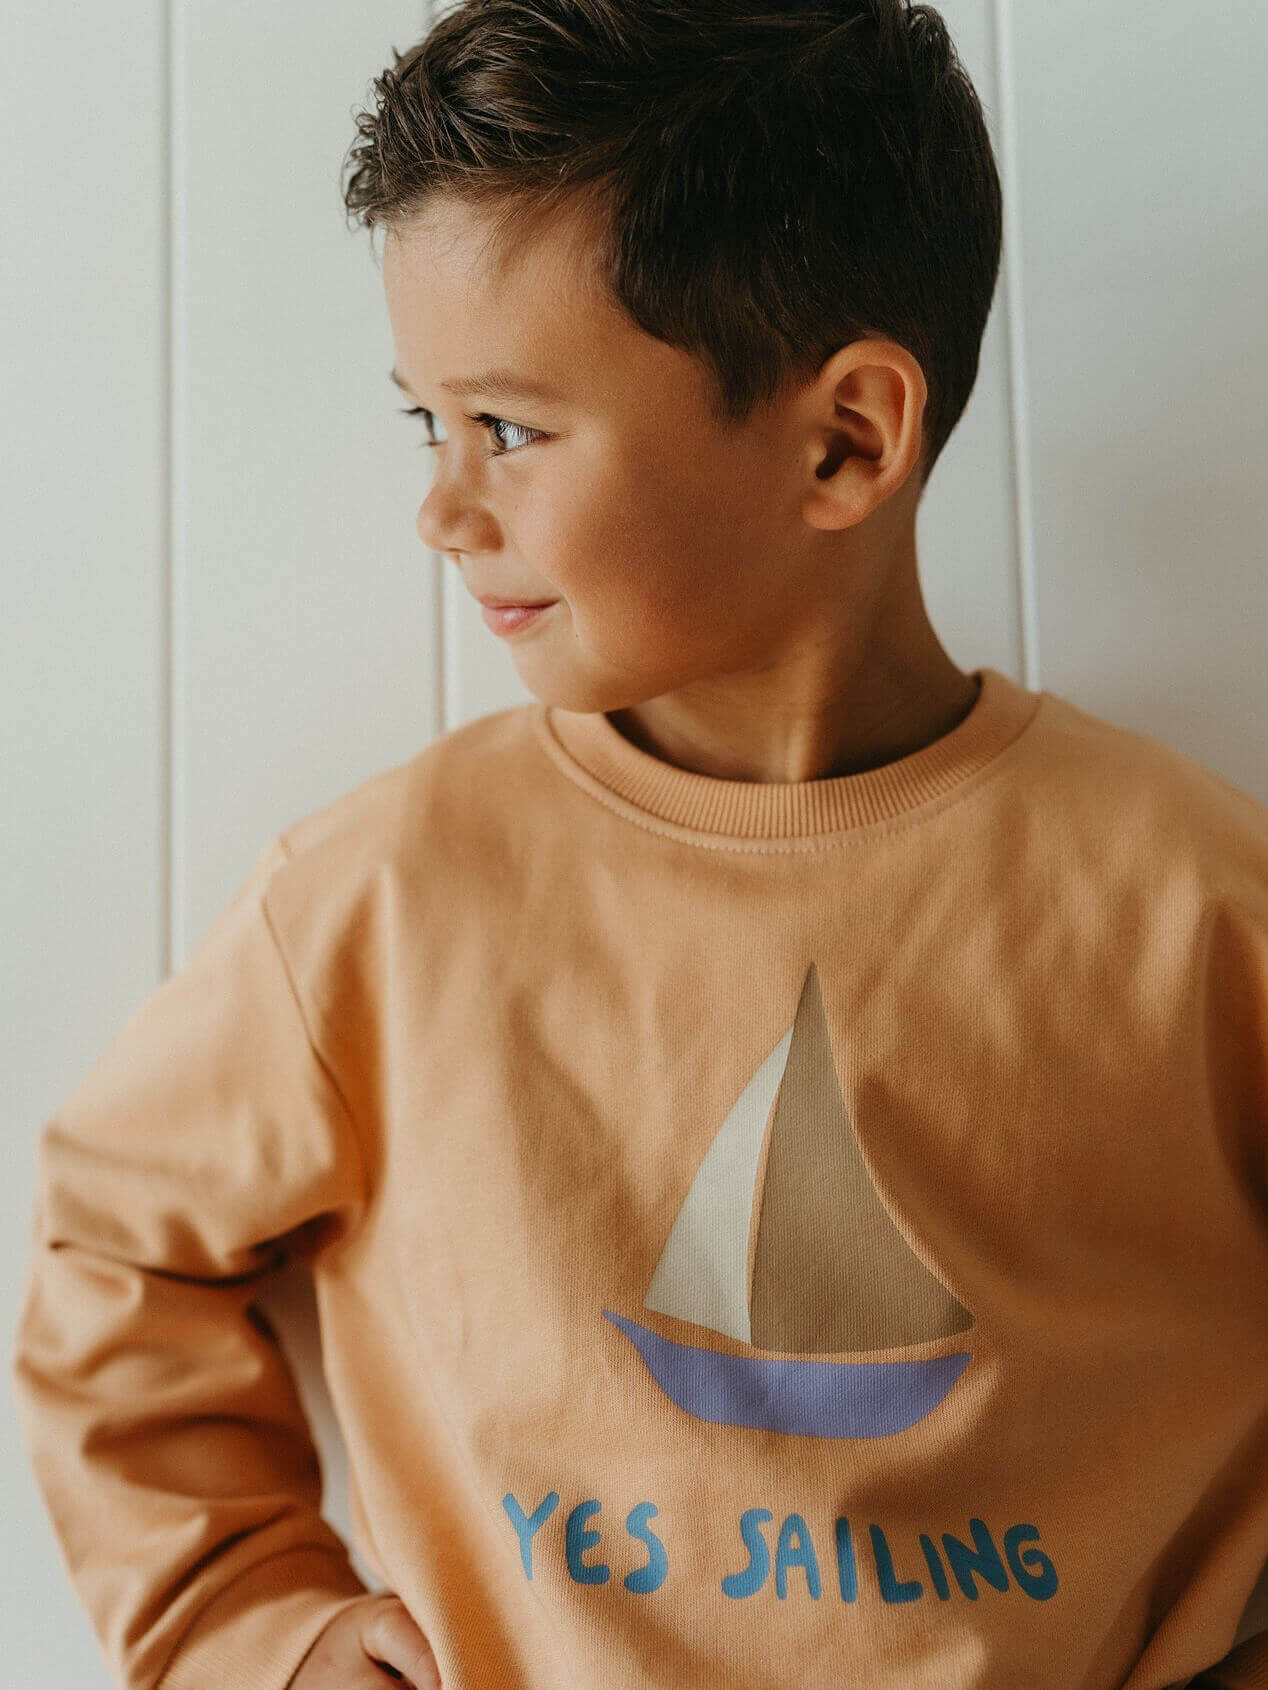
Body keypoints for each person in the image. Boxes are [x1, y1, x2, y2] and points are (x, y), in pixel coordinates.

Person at [11, 1, 1268, 1687]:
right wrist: (254, 1623)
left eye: (510, 429)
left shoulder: (1197, 907)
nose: (444, 512)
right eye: (426, 425)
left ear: (846, 439)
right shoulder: (381, 903)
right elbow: (114, 1252)